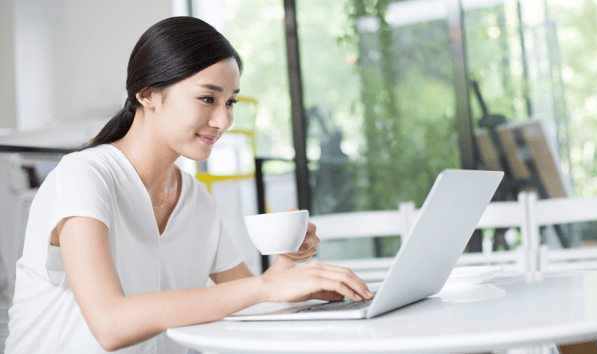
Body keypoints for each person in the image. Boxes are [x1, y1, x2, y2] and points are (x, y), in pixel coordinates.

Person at [5, 16, 372, 354]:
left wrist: (287, 264)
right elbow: (110, 324)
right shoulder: (84, 176)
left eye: (231, 102)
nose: (223, 120)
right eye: (207, 98)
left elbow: (253, 301)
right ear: (147, 93)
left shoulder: (196, 199)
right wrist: (268, 287)